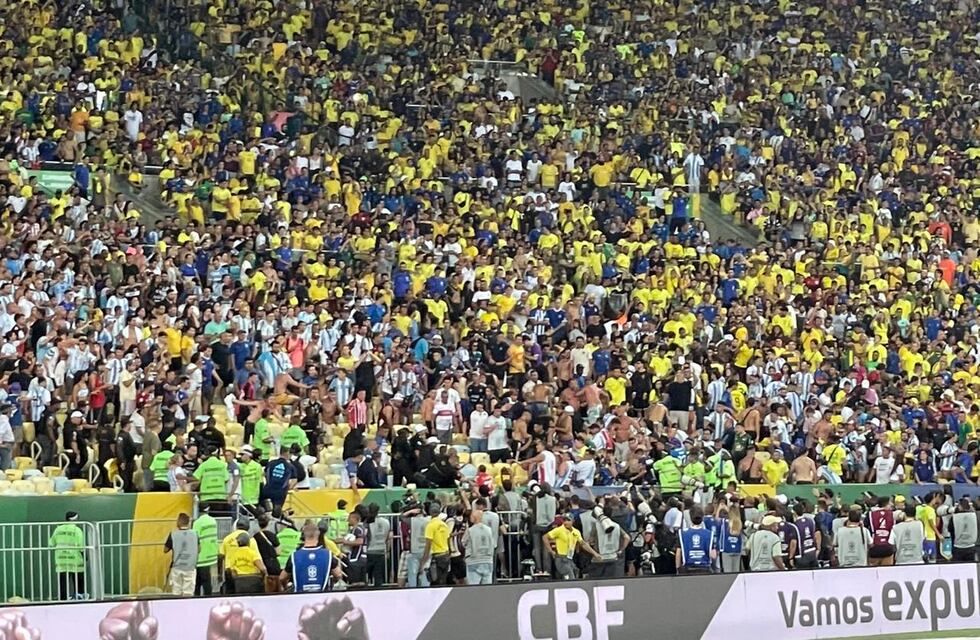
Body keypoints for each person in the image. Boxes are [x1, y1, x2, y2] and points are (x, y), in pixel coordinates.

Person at [281, 524, 342, 592]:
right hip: (322, 597)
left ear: (303, 535)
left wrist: (285, 586)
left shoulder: (294, 556)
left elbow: (282, 577)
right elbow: (338, 574)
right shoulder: (328, 554)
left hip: (299, 597)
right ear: (318, 535)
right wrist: (332, 583)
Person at [543, 515, 601, 580]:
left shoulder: (576, 532)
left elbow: (583, 544)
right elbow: (545, 537)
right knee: (569, 575)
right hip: (561, 558)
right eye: (564, 520)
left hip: (570, 559)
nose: (566, 522)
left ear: (573, 521)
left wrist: (595, 554)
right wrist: (550, 551)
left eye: (568, 520)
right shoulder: (559, 530)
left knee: (576, 571)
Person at [50, 511, 86, 600]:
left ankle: (63, 598)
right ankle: (79, 596)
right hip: (75, 559)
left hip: (61, 559)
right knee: (78, 579)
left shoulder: (58, 529)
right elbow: (81, 546)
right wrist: (85, 556)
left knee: (63, 580)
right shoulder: (77, 530)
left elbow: (51, 543)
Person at [163, 513, 199, 597]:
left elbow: (165, 550)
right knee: (188, 592)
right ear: (188, 522)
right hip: (190, 566)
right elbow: (199, 549)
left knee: (176, 591)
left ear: (178, 522)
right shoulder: (195, 534)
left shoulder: (173, 534)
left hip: (177, 566)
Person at [675, 506, 716, 575]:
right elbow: (713, 555)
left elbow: (678, 554)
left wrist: (678, 568)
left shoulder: (682, 534)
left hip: (688, 569)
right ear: (702, 518)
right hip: (705, 569)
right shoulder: (709, 534)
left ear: (690, 517)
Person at [419, 502, 452, 586]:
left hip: (437, 557)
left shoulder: (430, 526)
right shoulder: (444, 525)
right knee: (443, 582)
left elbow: (428, 545)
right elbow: (448, 541)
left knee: (435, 582)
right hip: (445, 555)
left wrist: (423, 562)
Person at [461, 508, 495, 585]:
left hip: (474, 561)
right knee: (487, 588)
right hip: (488, 560)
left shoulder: (470, 530)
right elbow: (492, 543)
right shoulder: (489, 530)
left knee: (473, 588)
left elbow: (463, 542)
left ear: (474, 517)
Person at [193, 507, 220, 596]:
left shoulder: (197, 523)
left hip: (201, 556)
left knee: (200, 583)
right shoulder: (213, 521)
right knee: (203, 581)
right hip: (211, 555)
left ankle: (198, 600)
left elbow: (195, 539)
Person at [950, 499, 978, 563]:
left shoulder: (954, 517)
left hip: (958, 546)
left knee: (957, 568)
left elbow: (950, 529)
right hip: (971, 546)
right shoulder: (974, 515)